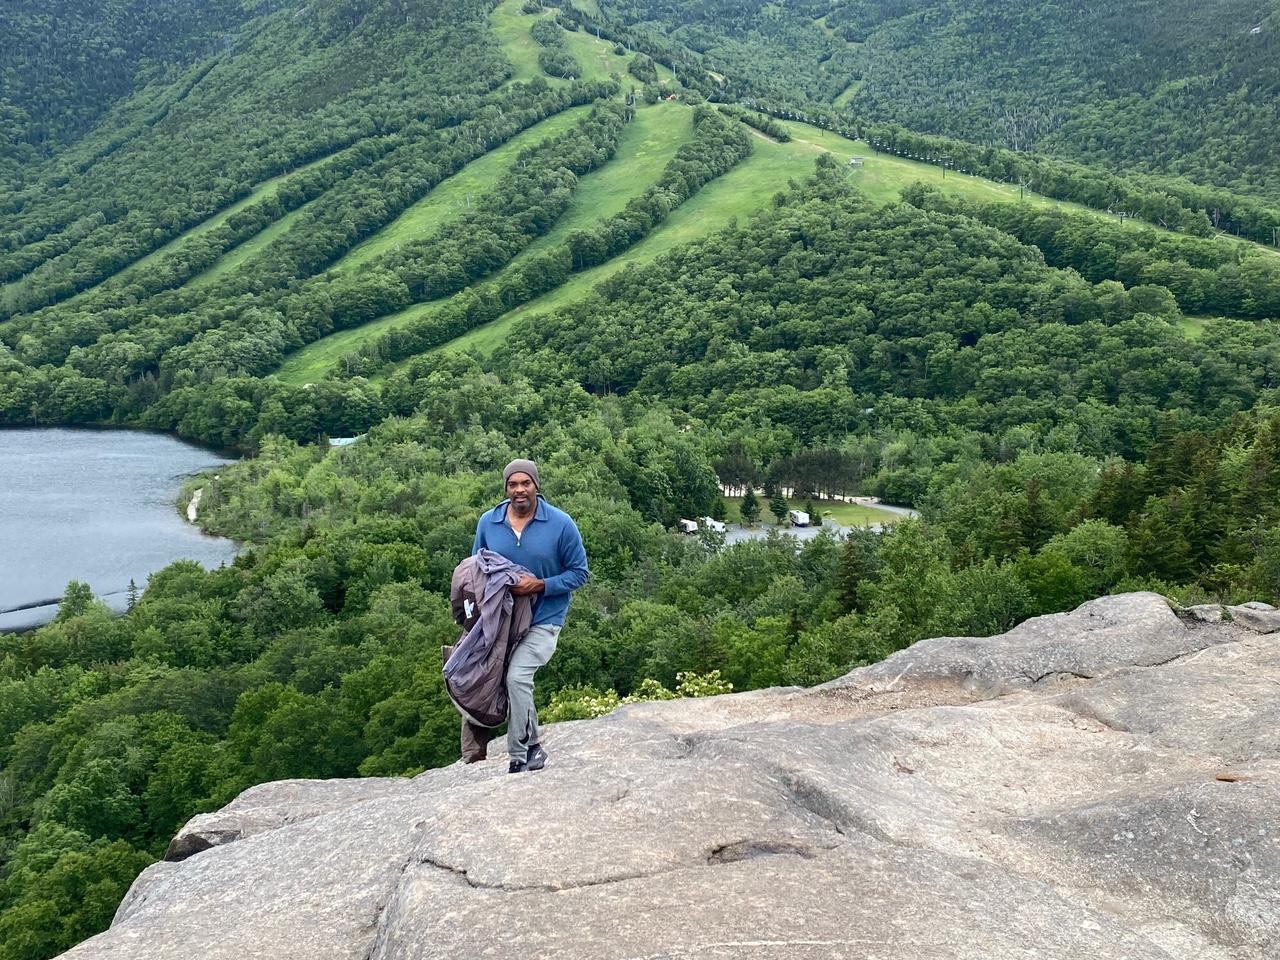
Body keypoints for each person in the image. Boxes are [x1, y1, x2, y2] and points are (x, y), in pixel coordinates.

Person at [473, 458, 588, 773]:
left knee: (517, 676)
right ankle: (522, 743)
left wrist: (541, 585)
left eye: (526, 483)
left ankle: (522, 754)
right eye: (513, 484)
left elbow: (579, 574)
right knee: (483, 679)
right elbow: (475, 570)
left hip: (545, 618)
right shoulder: (489, 522)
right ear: (506, 488)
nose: (519, 490)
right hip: (502, 621)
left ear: (537, 485)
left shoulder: (561, 524)